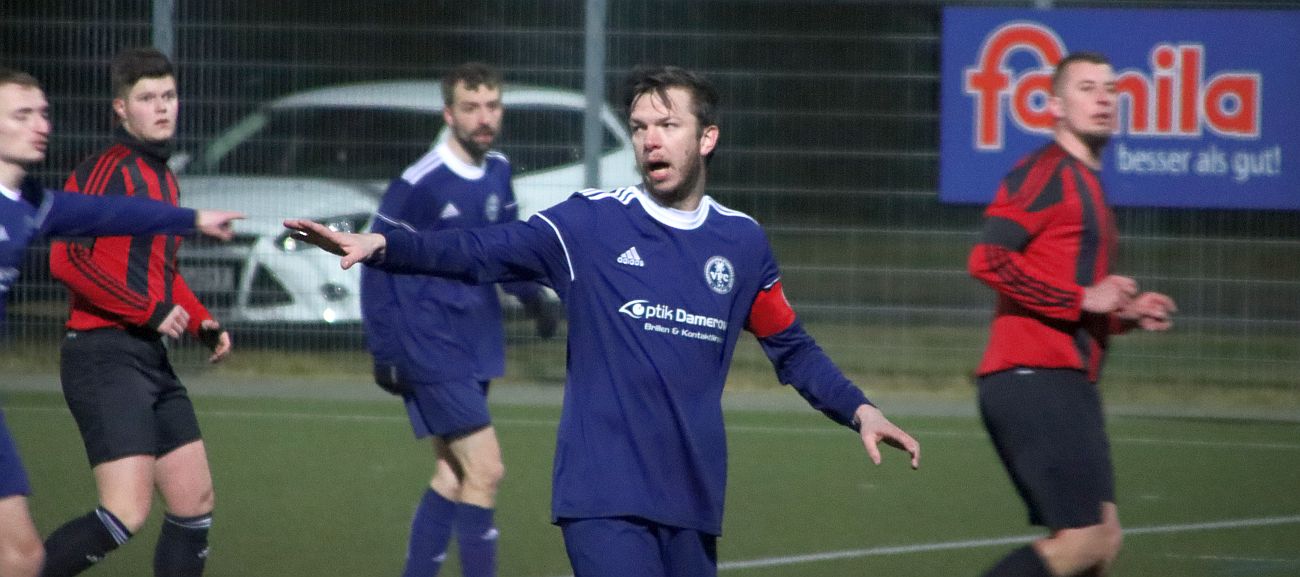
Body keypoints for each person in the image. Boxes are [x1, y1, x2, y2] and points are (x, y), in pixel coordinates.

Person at [286, 65, 920, 577]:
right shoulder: (588, 223)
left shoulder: (742, 243)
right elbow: (479, 250)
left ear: (707, 138)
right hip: (602, 497)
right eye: (640, 125)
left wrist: (859, 409)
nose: (649, 139)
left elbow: (791, 345)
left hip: (694, 498)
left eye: (668, 124)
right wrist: (385, 246)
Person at [0, 67, 240, 577]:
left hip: (148, 355)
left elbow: (138, 245)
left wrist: (199, 311)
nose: (42, 124)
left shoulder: (32, 202)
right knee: (121, 513)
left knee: (193, 498)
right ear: (120, 108)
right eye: (23, 114)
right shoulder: (107, 168)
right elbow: (70, 259)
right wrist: (145, 309)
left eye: (170, 95)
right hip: (104, 353)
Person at [967, 52, 1177, 577]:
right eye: (1086, 88)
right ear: (1054, 106)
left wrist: (1122, 315)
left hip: (1067, 380)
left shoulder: (1090, 185)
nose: (1103, 98)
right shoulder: (1046, 172)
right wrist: (1083, 299)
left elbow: (1071, 292)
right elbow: (987, 259)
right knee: (1084, 541)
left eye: (1110, 88)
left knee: (1099, 546)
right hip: (1032, 376)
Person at [362, 62, 555, 577]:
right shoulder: (417, 184)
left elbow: (504, 245)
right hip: (429, 342)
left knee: (454, 473)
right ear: (449, 114)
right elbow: (371, 259)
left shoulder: (498, 170)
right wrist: (383, 349)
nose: (483, 118)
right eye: (471, 108)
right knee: (487, 470)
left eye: (492, 106)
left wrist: (532, 297)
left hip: (477, 342)